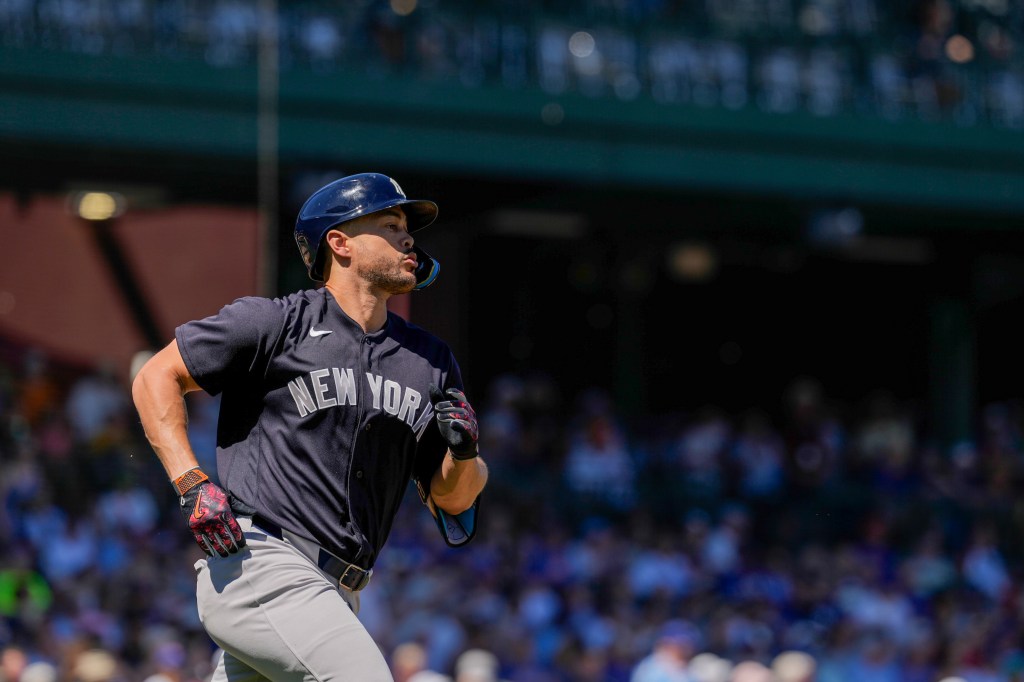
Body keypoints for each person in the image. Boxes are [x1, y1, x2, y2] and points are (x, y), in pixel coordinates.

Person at [132, 172, 489, 682]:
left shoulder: (429, 360)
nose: (408, 238)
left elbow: (454, 498)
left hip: (340, 593)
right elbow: (155, 377)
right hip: (262, 562)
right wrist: (192, 483)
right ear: (339, 242)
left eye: (408, 228)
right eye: (390, 224)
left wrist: (466, 453)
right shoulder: (275, 323)